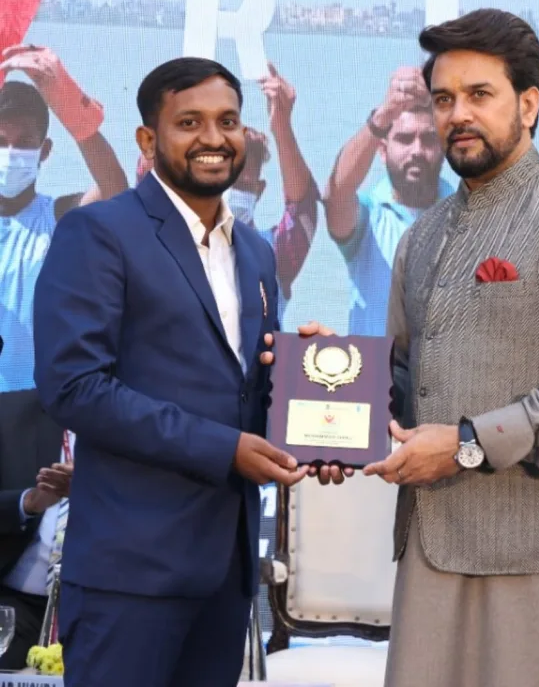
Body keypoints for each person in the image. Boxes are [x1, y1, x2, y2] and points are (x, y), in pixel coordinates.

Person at [31, 57, 341, 687]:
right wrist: (225, 449)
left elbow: (244, 393)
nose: (213, 138)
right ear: (148, 140)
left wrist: (313, 393)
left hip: (226, 576)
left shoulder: (254, 252)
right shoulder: (99, 232)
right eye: (189, 122)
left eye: (227, 121)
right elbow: (75, 387)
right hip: (130, 577)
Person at [362, 9, 539, 687]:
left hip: (537, 553)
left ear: (529, 104)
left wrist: (465, 444)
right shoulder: (422, 237)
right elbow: (403, 377)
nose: (457, 114)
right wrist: (328, 383)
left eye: (479, 95)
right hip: (429, 549)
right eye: (443, 99)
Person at [136, 63, 319, 327]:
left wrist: (281, 126)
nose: (227, 191)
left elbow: (303, 206)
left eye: (241, 183)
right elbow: (149, 170)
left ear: (259, 191)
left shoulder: (272, 255)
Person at [0, 44, 127, 391]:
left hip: (39, 404)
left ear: (44, 151)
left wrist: (71, 108)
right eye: (1, 141)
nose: (11, 152)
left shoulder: (58, 220)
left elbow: (115, 191)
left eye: (24, 142)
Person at [324, 66, 452, 336]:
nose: (417, 150)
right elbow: (337, 192)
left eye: (429, 139)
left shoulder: (468, 215)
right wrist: (384, 114)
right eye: (405, 139)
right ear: (382, 150)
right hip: (376, 365)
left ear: (443, 148)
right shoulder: (368, 217)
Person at [0, 388, 72, 670]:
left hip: (106, 608)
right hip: (14, 603)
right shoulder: (8, 414)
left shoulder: (142, 428)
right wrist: (28, 502)